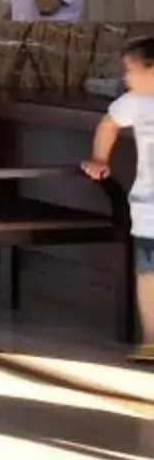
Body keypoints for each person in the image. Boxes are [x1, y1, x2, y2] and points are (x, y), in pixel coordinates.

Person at [80, 36, 154, 363]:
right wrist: (98, 158)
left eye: (131, 70)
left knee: (149, 274)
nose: (125, 78)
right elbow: (108, 125)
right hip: (148, 206)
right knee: (149, 274)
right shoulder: (136, 100)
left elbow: (109, 124)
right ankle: (151, 339)